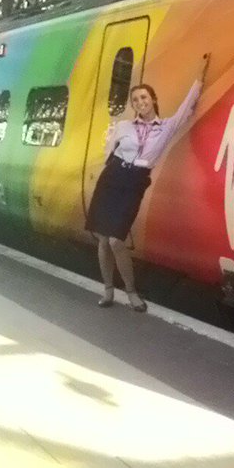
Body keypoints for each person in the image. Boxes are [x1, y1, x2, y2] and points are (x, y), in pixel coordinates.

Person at [87, 55, 210, 312]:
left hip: (134, 183)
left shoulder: (166, 127)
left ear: (153, 99)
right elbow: (109, 150)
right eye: (135, 100)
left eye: (144, 97)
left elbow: (187, 107)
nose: (140, 102)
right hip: (112, 178)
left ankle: (131, 291)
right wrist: (110, 165)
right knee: (102, 239)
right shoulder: (123, 126)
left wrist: (200, 76)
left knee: (116, 240)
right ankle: (108, 290)